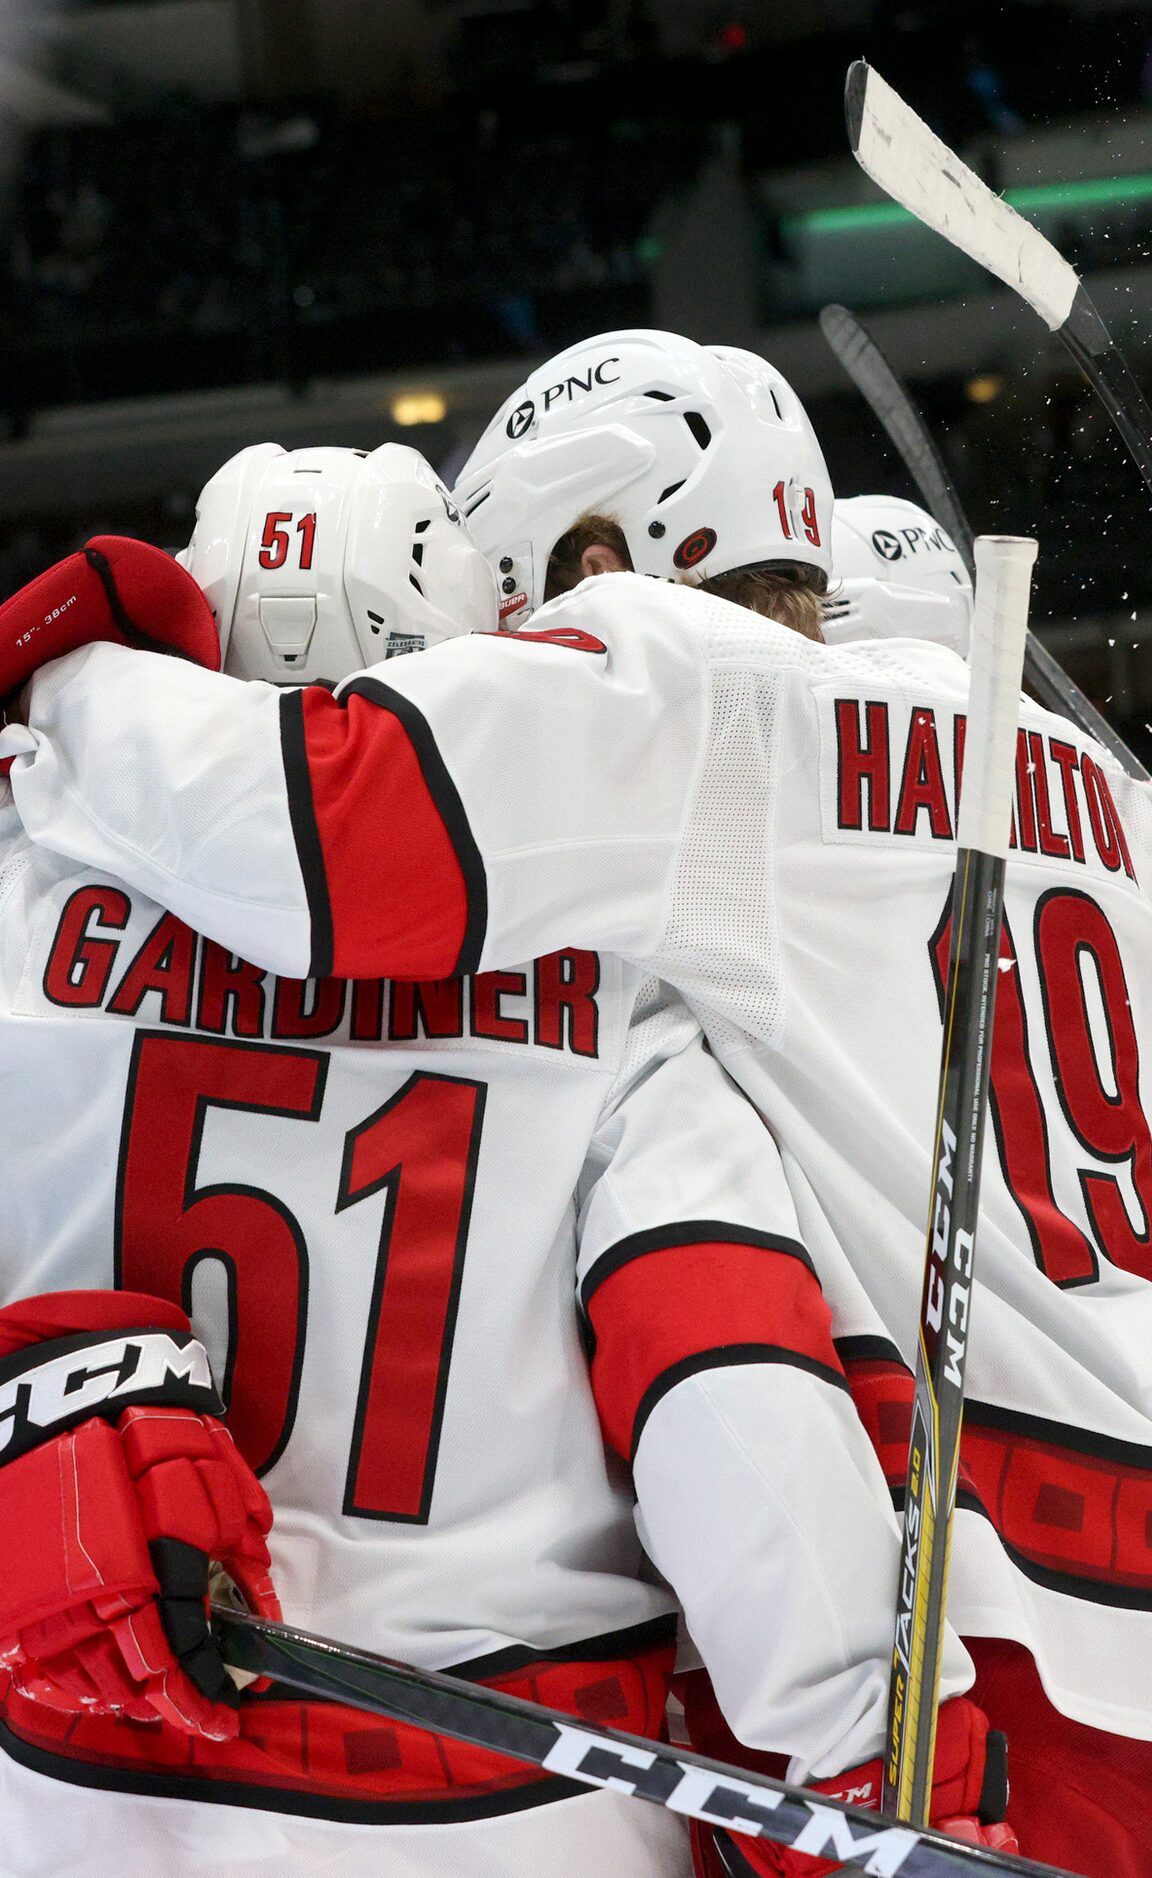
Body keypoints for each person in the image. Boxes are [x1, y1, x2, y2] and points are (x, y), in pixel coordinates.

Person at [0, 332, 1152, 1878]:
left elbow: (304, 820)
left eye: (509, 615)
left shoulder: (665, 696)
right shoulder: (1057, 772)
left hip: (953, 1643)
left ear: (589, 562)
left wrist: (69, 681)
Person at [0, 442, 1004, 1878]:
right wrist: (865, 1740)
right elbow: (725, 1382)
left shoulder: (18, 901)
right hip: (521, 1807)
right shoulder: (604, 980)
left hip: (78, 1789)